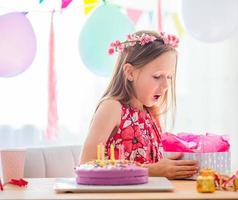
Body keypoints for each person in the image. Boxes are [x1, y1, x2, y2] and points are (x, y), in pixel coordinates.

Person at [80, 30, 198, 179]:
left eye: (169, 77)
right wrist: (152, 170)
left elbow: (153, 166)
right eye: (157, 76)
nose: (166, 85)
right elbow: (86, 164)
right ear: (130, 73)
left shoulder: (151, 113)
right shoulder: (112, 108)